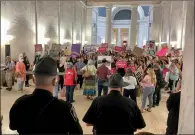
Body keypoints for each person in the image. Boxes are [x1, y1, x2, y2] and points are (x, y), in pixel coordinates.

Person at [9, 56, 83, 134]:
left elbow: (13, 126)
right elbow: (78, 132)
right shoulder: (65, 108)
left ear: (34, 80)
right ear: (54, 81)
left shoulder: (20, 103)